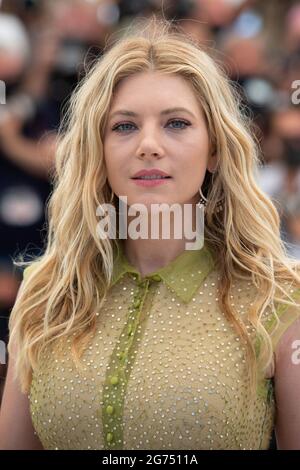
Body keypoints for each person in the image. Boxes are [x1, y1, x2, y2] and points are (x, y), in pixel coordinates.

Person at [0, 17, 300, 450]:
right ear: (97, 150)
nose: (149, 145)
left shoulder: (279, 298)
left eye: (176, 123)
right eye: (124, 126)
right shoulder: (45, 292)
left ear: (215, 147)